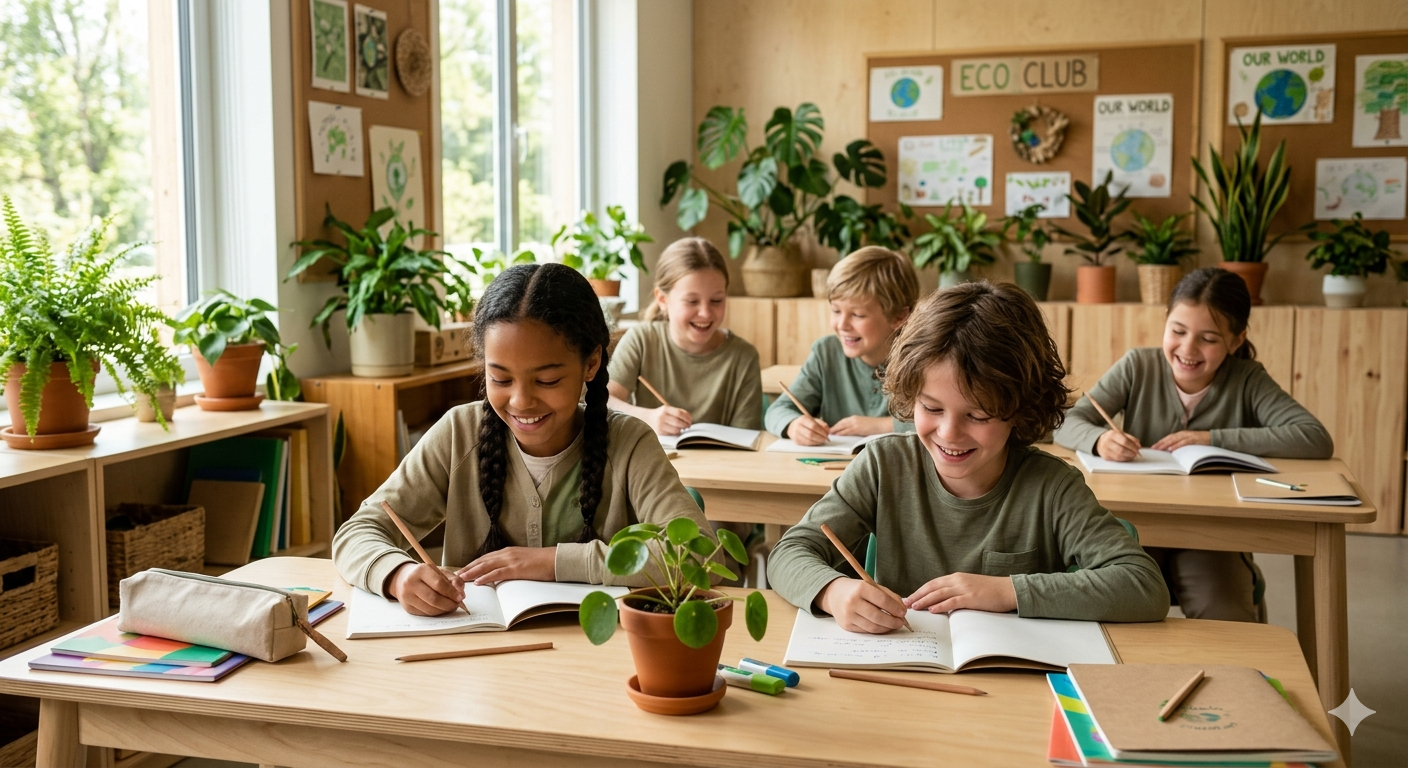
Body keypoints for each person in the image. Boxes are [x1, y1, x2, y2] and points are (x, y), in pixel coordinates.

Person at [768, 281, 1167, 631]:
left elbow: (1143, 585)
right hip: (900, 677)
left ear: (1021, 409)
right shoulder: (882, 466)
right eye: (932, 408)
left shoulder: (1052, 487)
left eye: (977, 415)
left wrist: (1007, 590)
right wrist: (833, 592)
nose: (948, 433)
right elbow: (788, 553)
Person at [332, 263, 711, 615]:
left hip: (598, 658)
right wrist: (396, 575)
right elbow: (357, 532)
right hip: (475, 659)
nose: (521, 401)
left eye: (546, 381)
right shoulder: (458, 433)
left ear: (591, 363)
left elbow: (700, 556)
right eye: (500, 379)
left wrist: (552, 562)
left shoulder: (629, 443)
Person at [1054, 267, 1332, 622]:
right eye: (1178, 331)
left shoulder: (1248, 379)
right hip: (1137, 526)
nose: (1188, 349)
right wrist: (1100, 439)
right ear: (1165, 322)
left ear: (1235, 340)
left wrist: (1213, 439)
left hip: (1212, 534)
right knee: (1108, 599)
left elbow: (1313, 436)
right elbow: (1071, 421)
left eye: (1209, 338)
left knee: (1223, 611)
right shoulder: (1138, 366)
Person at [764, 246, 920, 445]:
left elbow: (945, 424)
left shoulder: (921, 360)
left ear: (899, 316)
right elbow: (777, 411)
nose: (842, 325)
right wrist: (794, 425)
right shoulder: (825, 353)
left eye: (857, 315)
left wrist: (880, 426)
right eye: (836, 311)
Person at [608, 237, 762, 435]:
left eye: (716, 300)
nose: (705, 313)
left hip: (719, 465)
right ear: (662, 299)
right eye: (691, 301)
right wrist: (648, 418)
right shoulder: (641, 339)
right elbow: (603, 402)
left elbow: (746, 437)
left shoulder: (744, 356)